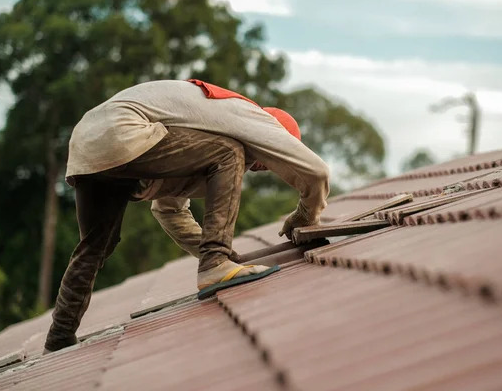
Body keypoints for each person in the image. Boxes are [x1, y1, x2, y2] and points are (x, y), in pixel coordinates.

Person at [43, 79, 330, 353]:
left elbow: (168, 211)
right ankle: (214, 263)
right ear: (274, 134)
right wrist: (305, 215)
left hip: (86, 140)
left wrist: (229, 256)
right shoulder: (251, 116)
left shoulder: (200, 127)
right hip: (125, 129)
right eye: (267, 163)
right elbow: (316, 173)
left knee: (95, 247)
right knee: (230, 153)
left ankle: (59, 336)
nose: (262, 168)